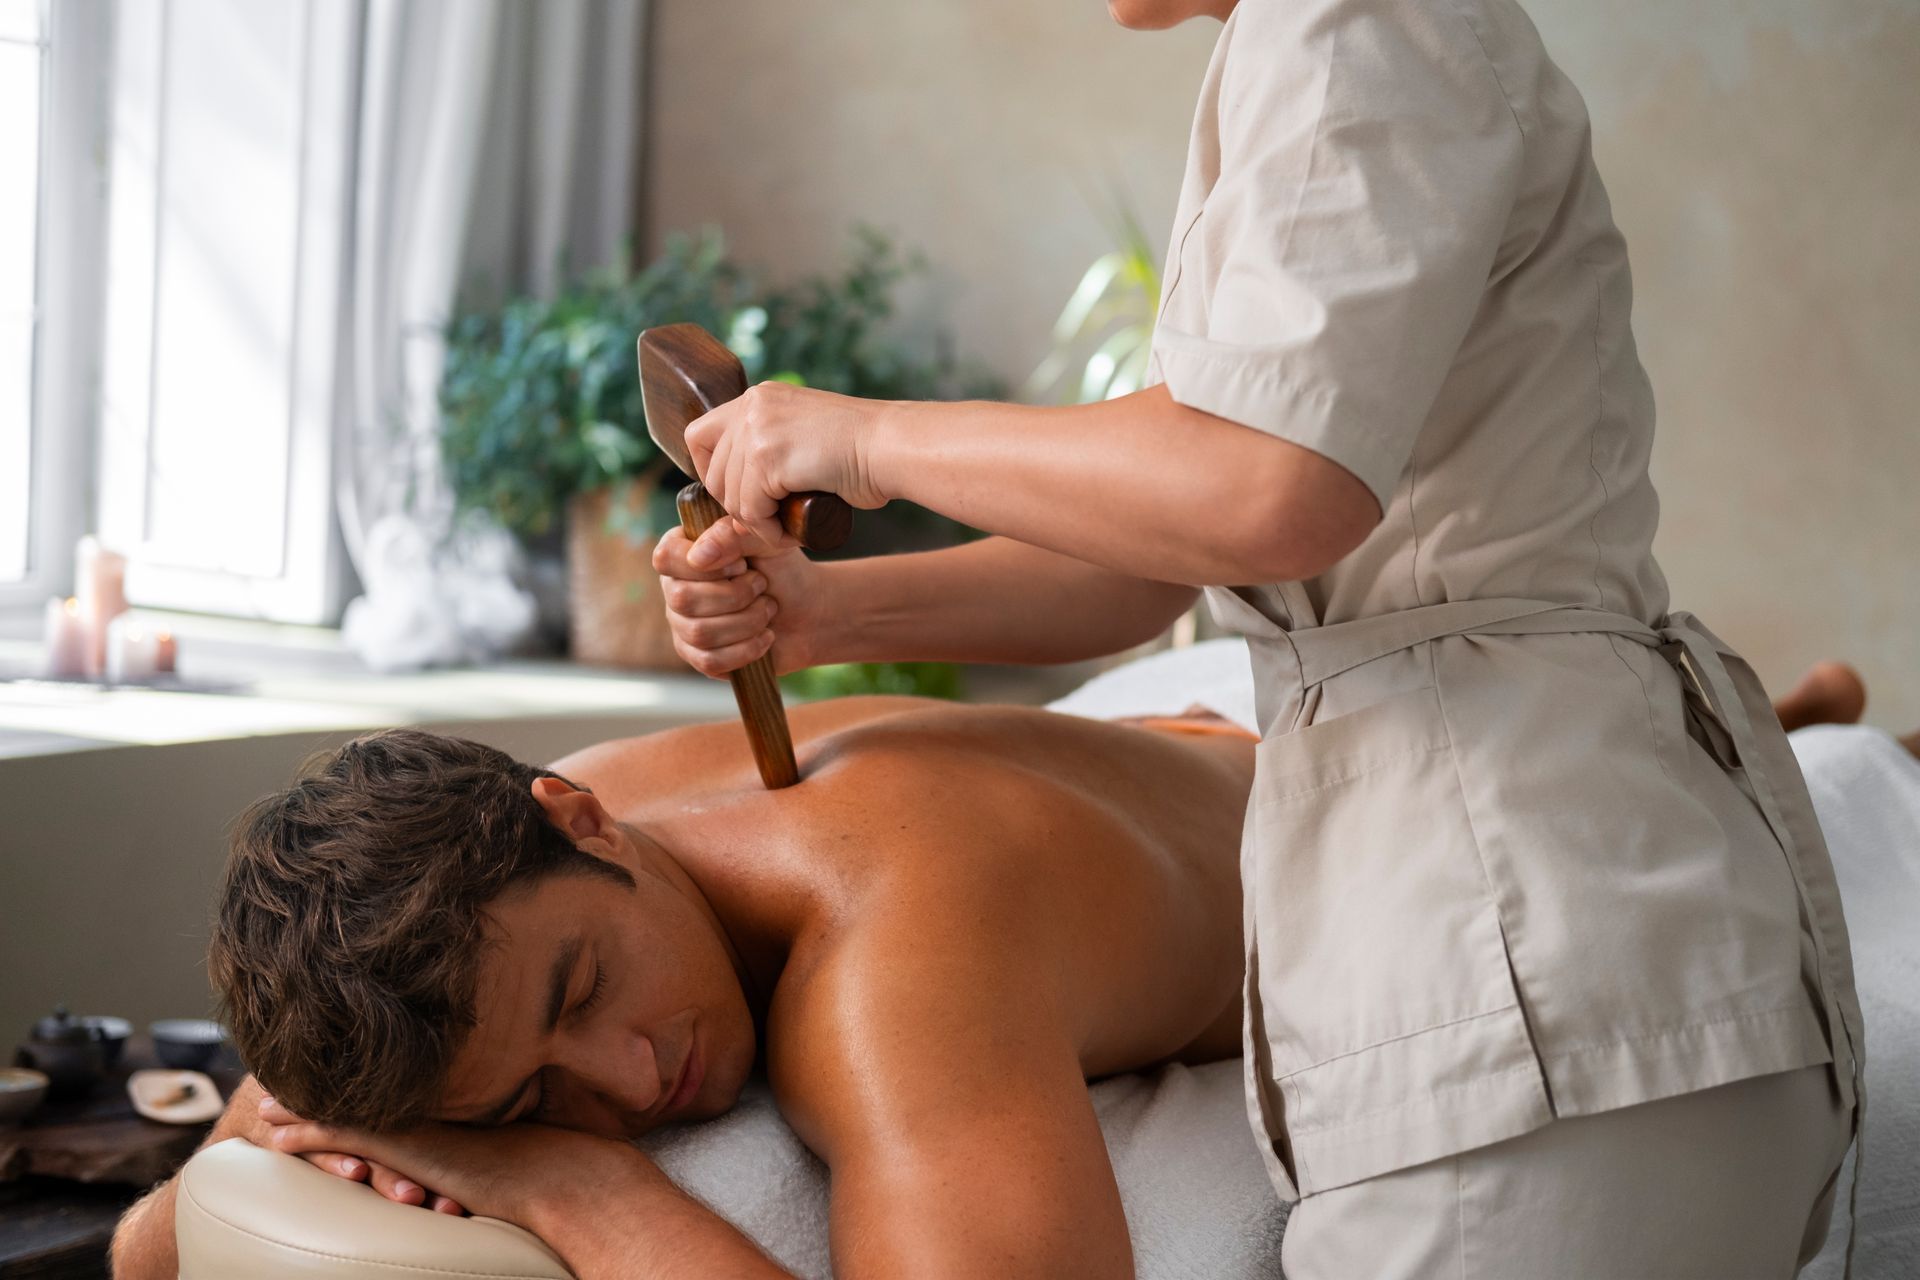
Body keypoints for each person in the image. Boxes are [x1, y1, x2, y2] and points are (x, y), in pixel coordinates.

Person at [648, 0, 1865, 1275]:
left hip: (1540, 998)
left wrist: (864, 436)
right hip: (1556, 980)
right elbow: (1167, 549)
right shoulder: (1301, 46)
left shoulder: (1357, 25)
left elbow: (1269, 486)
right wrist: (825, 613)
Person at [107, 664, 1884, 1279]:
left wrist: (567, 1182)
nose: (631, 1084)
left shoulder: (889, 966)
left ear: (576, 817)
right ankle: (1761, 708)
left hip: (1380, 831)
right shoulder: (556, 861)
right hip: (1157, 749)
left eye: (582, 1000)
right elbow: (146, 1244)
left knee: (1743, 767)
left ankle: (1781, 732)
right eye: (536, 1097)